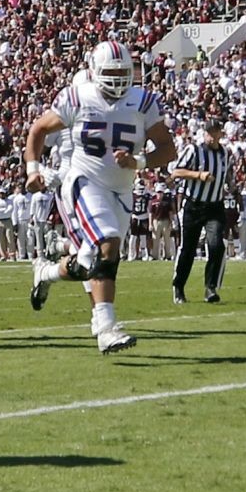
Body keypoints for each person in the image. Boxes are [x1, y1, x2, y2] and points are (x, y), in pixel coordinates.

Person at [25, 41, 176, 354]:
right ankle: (106, 328)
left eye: (124, 72)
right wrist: (32, 169)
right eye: (111, 72)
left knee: (99, 260)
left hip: (121, 189)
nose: (119, 79)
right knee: (108, 242)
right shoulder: (79, 96)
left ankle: (48, 272)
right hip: (83, 181)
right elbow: (38, 130)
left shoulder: (143, 101)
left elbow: (168, 148)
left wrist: (140, 161)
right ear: (94, 71)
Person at [167, 118, 239, 303]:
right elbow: (176, 172)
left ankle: (211, 287)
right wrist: (198, 175)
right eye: (209, 132)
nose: (211, 136)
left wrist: (229, 184)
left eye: (215, 131)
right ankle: (179, 286)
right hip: (194, 205)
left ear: (220, 133)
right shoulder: (194, 150)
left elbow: (226, 174)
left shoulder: (224, 153)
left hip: (215, 206)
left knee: (216, 245)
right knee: (188, 249)